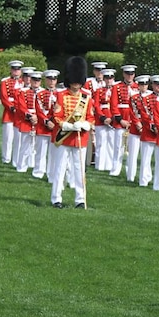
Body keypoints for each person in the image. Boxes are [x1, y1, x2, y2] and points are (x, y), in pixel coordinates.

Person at [48, 57, 92, 209]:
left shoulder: (87, 97)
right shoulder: (61, 96)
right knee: (59, 168)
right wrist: (66, 125)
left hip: (80, 138)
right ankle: (56, 198)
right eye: (74, 81)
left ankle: (80, 199)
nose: (76, 84)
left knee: (79, 170)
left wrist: (85, 124)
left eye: (78, 81)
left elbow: (91, 117)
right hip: (64, 137)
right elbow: (56, 116)